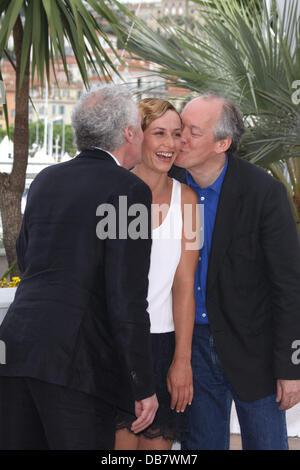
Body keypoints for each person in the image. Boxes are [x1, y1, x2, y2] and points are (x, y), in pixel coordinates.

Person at [0, 85, 158, 450]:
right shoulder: (129, 190)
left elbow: (26, 257)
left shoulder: (46, 180)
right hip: (76, 366)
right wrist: (142, 384)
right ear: (128, 134)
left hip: (17, 350)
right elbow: (126, 295)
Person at [169, 94, 300, 450]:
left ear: (222, 143)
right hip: (188, 348)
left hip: (253, 350)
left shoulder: (264, 193)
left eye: (193, 132)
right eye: (180, 129)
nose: (180, 139)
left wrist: (291, 367)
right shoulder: (166, 187)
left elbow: (289, 285)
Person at [114, 98, 199, 451]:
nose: (169, 144)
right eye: (159, 133)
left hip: (162, 344)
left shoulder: (189, 201)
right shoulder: (113, 193)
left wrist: (182, 360)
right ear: (137, 136)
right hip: (113, 343)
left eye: (176, 134)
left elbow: (184, 286)